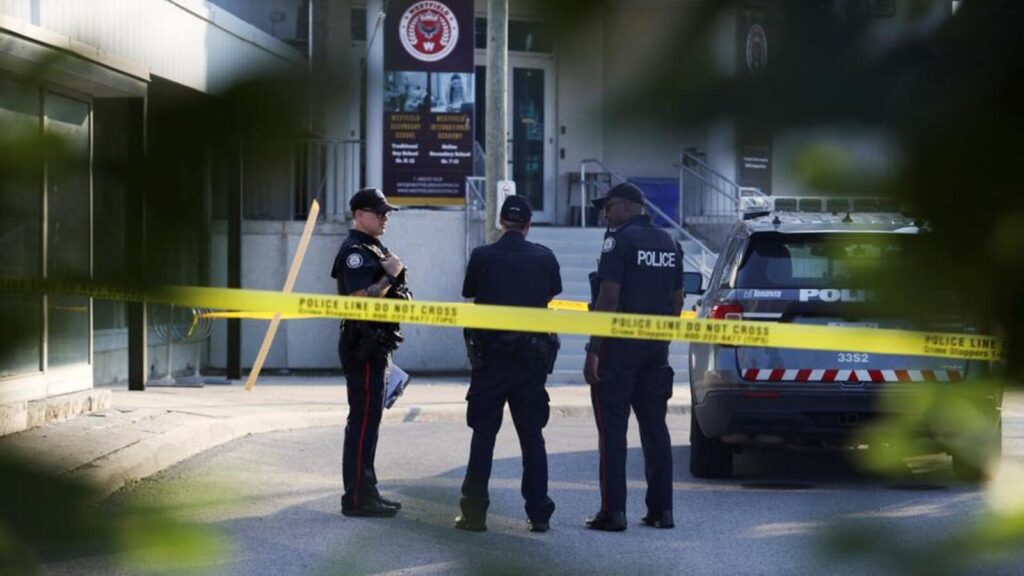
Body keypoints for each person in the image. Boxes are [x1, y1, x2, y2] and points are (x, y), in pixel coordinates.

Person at [456, 195, 563, 533]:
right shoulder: (544, 258)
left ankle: (473, 513)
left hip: (490, 361)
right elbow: (550, 294)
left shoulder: (482, 256)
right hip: (530, 361)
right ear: (529, 225)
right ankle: (539, 512)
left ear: (500, 222)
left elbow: (469, 291)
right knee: (532, 436)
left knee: (483, 435)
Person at [583, 182, 683, 532]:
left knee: (613, 432)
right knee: (655, 429)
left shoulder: (618, 241)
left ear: (627, 206)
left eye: (608, 207)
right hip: (656, 350)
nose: (605, 214)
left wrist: (594, 349)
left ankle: (614, 512)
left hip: (618, 351)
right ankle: (662, 511)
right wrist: (661, 343)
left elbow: (608, 299)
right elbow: (677, 302)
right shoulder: (671, 242)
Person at [332, 187, 411, 518]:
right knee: (363, 422)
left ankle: (368, 490)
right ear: (359, 214)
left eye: (387, 212)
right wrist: (388, 276)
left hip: (379, 342)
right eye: (378, 212)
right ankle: (357, 498)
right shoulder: (354, 251)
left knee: (370, 421)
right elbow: (362, 299)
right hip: (364, 345)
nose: (385, 217)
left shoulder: (374, 247)